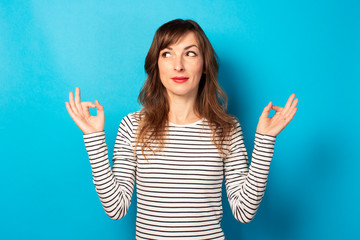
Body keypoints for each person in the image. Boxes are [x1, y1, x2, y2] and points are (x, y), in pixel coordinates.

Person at [65, 19, 298, 240]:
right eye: (167, 54)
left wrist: (265, 140)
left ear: (204, 65)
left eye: (190, 53)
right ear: (156, 64)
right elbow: (116, 208)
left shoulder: (227, 129)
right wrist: (93, 138)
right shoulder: (133, 125)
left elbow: (244, 212)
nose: (178, 65)